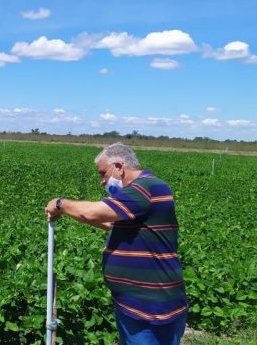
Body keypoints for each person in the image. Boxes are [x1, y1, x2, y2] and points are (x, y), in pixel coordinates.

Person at [45, 142, 187, 345]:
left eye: (103, 173)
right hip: (140, 303)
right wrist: (69, 214)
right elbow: (110, 223)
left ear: (119, 167)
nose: (102, 181)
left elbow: (91, 212)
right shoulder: (144, 193)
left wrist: (60, 203)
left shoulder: (144, 188)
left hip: (149, 307)